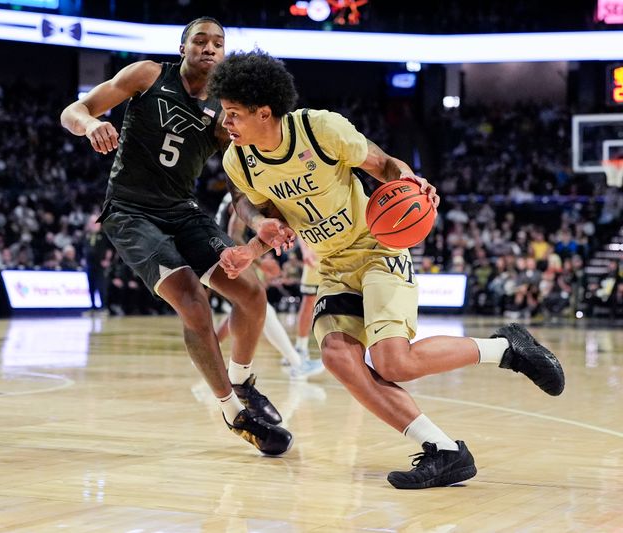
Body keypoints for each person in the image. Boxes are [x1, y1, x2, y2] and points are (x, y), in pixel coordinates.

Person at [208, 50, 565, 488]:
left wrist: (410, 181)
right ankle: (444, 450)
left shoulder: (319, 129)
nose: (224, 123)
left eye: (233, 114)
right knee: (339, 356)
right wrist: (256, 239)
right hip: (334, 264)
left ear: (265, 112)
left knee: (393, 362)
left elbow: (384, 164)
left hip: (377, 247)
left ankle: (504, 348)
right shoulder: (238, 159)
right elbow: (250, 205)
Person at [60, 19, 292, 455]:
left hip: (182, 210)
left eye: (218, 43)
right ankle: (230, 411)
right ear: (183, 45)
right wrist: (91, 126)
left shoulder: (226, 116)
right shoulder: (147, 75)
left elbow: (240, 191)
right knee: (192, 300)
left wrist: (258, 222)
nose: (209, 47)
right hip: (130, 211)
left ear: (224, 54)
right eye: (200, 40)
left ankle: (243, 383)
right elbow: (73, 111)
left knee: (252, 294)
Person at [214, 192, 325, 380]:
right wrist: (260, 262)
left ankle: (210, 350)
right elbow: (234, 234)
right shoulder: (245, 195)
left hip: (223, 251)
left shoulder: (243, 194)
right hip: (224, 254)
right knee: (261, 306)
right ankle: (297, 362)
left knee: (245, 306)